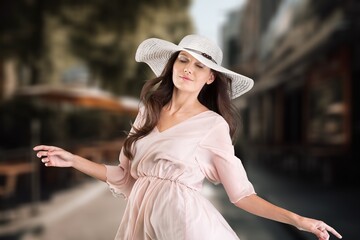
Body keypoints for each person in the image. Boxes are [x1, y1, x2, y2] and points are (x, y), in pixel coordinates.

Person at [33, 34, 342, 240]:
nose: (189, 70)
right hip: (142, 222)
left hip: (185, 225)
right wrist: (73, 160)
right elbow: (124, 176)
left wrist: (298, 220)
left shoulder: (212, 125)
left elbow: (242, 195)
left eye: (200, 66)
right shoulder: (148, 111)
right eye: (183, 60)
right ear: (172, 65)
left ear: (211, 77)